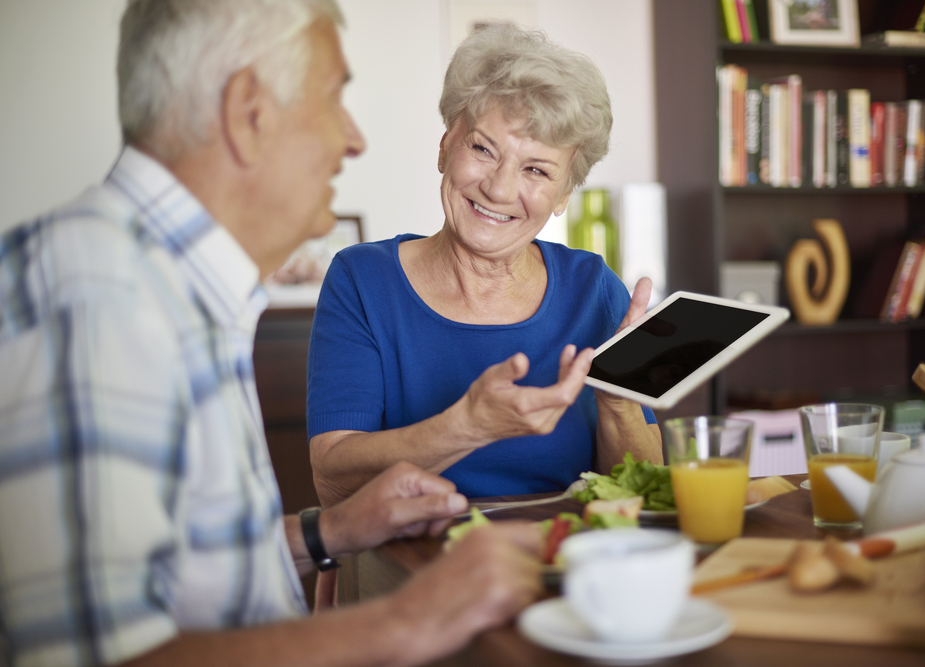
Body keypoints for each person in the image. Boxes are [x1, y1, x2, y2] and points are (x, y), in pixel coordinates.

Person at [0, 2, 543, 666]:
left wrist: (333, 530)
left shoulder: (168, 289)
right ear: (248, 111)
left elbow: (189, 571)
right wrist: (410, 617)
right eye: (333, 98)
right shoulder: (98, 297)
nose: (353, 138)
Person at [307, 23, 662, 505]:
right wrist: (465, 427)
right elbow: (333, 478)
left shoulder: (593, 288)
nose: (498, 189)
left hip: (560, 565)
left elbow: (642, 493)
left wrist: (619, 405)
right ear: (445, 147)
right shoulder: (363, 280)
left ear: (562, 196)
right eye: (482, 149)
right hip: (415, 565)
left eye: (536, 170)